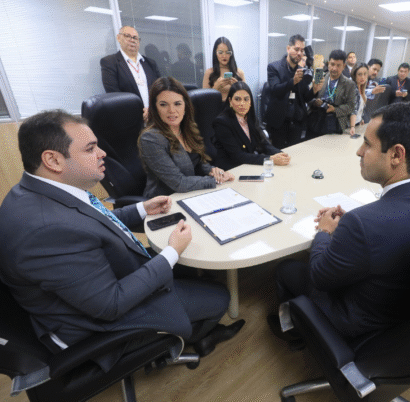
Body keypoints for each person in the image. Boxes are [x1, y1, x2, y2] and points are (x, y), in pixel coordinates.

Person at [0, 110, 244, 363]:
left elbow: (89, 222)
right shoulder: (46, 230)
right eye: (90, 148)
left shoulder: (38, 191)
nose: (102, 153)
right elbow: (111, 305)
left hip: (95, 283)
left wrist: (142, 209)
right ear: (53, 160)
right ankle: (188, 340)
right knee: (220, 296)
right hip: (94, 323)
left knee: (193, 268)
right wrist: (172, 252)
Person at [270, 101, 410, 340]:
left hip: (358, 323)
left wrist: (324, 232)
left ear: (396, 155)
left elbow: (319, 276)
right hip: (409, 316)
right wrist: (353, 225)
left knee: (286, 269)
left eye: (367, 144)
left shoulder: (363, 223)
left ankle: (295, 331)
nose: (359, 151)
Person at [138, 77, 234, 198]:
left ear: (185, 105)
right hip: (165, 202)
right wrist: (215, 180)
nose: (172, 110)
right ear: (155, 108)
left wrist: (213, 171)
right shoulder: (151, 138)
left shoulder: (186, 128)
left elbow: (198, 163)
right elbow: (179, 183)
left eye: (177, 104)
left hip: (191, 195)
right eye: (163, 104)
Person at [213, 82, 290, 170]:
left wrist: (280, 153)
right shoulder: (222, 122)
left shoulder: (251, 118)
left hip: (248, 165)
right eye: (237, 99)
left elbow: (263, 143)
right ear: (230, 101)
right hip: (231, 169)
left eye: (246, 99)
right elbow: (238, 156)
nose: (242, 103)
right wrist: (270, 159)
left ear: (250, 102)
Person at [265, 34, 323, 148]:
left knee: (295, 152)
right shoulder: (274, 67)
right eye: (296, 49)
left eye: (302, 50)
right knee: (280, 153)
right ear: (288, 48)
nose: (299, 53)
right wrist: (293, 81)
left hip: (297, 121)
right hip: (279, 121)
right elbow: (275, 90)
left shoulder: (302, 70)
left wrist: (314, 90)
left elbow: (305, 97)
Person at [100, 26, 161, 121]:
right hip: (129, 119)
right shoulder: (110, 62)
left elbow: (160, 89)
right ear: (118, 38)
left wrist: (152, 110)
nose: (132, 40)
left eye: (135, 38)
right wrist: (140, 112)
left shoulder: (150, 63)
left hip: (154, 118)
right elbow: (114, 94)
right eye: (127, 36)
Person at [309, 49, 356, 136]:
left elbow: (351, 106)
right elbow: (308, 97)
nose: (334, 68)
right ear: (328, 64)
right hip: (317, 120)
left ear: (343, 66)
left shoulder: (350, 84)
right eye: (332, 64)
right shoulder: (319, 76)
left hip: (336, 123)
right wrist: (315, 102)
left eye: (338, 65)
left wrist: (335, 109)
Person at [203, 37, 245, 103]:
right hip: (215, 107)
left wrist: (237, 88)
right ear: (215, 53)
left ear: (231, 54)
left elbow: (246, 97)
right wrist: (215, 88)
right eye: (220, 52)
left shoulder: (239, 72)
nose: (224, 56)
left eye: (227, 52)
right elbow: (204, 100)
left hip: (234, 107)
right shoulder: (209, 72)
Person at [349, 63, 369, 136]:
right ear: (354, 75)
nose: (363, 77)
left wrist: (360, 119)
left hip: (356, 124)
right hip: (349, 126)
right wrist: (352, 126)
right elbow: (353, 110)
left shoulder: (361, 87)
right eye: (359, 74)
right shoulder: (353, 88)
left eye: (365, 74)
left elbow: (360, 108)